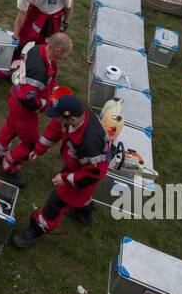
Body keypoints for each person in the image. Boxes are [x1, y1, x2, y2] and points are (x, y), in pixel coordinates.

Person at [11, 96, 125, 247]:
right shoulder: (75, 118)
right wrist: (39, 149)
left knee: (55, 204)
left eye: (59, 118)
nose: (57, 120)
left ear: (71, 119)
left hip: (86, 176)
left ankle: (35, 230)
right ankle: (83, 213)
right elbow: (55, 129)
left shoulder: (91, 142)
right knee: (79, 198)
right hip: (77, 167)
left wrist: (66, 178)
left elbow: (94, 173)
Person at [0, 32, 72, 164]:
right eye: (65, 54)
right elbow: (28, 98)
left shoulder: (38, 49)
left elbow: (47, 78)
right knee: (32, 142)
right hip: (24, 109)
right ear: (57, 50)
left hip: (15, 97)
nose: (65, 57)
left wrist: (55, 88)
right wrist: (46, 104)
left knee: (11, 126)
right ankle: (10, 166)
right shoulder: (39, 70)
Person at [0, 0, 73, 84]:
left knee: (47, 47)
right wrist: (15, 35)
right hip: (34, 12)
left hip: (53, 16)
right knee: (21, 40)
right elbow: (22, 14)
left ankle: (39, 75)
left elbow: (68, 7)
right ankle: (6, 70)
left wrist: (65, 23)